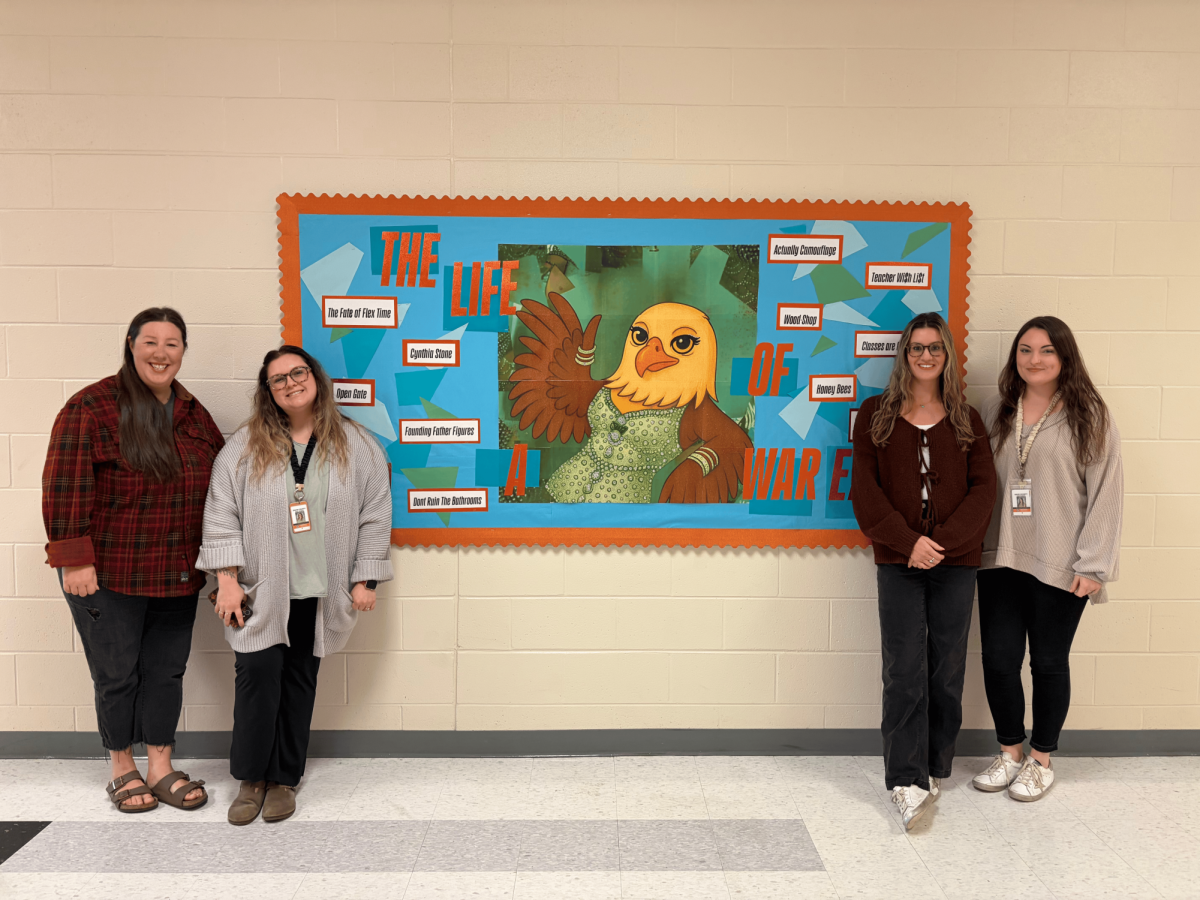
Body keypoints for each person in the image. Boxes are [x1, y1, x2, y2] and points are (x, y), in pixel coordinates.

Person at [197, 345, 393, 826]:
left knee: (300, 685)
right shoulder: (243, 447)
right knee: (257, 682)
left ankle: (284, 779)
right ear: (268, 392)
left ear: (315, 377)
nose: (290, 383)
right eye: (277, 379)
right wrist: (226, 581)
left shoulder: (357, 444)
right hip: (262, 591)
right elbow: (222, 515)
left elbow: (375, 515)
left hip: (321, 592)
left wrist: (364, 579)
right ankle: (250, 779)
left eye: (297, 373)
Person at [42, 307, 223, 813]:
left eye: (172, 344)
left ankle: (161, 765)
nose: (161, 353)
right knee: (117, 673)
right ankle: (122, 766)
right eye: (150, 342)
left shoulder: (192, 411)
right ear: (130, 344)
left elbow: (219, 482)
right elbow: (64, 484)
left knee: (166, 672)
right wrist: (74, 560)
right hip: (108, 572)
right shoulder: (93, 406)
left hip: (178, 570)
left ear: (183, 351)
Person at [851, 312, 996, 830]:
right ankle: (904, 778)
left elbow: (985, 492)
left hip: (954, 565)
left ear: (947, 354)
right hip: (898, 563)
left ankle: (935, 765)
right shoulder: (876, 414)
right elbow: (864, 494)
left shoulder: (966, 417)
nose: (925, 356)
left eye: (934, 347)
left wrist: (943, 544)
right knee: (904, 670)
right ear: (904, 355)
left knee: (946, 669)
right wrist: (910, 543)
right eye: (916, 347)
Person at [972, 317, 1122, 801]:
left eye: (1047, 351)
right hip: (999, 558)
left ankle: (1040, 759)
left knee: (1049, 663)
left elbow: (1106, 494)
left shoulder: (1089, 415)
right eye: (1025, 350)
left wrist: (1093, 565)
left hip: (1061, 563)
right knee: (998, 659)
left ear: (1065, 358)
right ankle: (1009, 751)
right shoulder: (998, 409)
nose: (1034, 359)